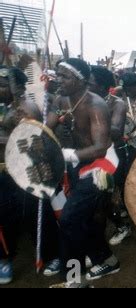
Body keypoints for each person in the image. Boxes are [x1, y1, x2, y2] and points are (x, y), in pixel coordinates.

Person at [46, 58, 120, 286]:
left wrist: (68, 155)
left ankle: (73, 279)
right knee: (81, 219)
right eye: (58, 75)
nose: (59, 80)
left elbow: (100, 148)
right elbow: (47, 126)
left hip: (102, 166)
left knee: (69, 220)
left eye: (65, 76)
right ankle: (105, 259)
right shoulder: (61, 99)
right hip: (79, 162)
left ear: (81, 80)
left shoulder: (95, 105)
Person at [0, 65, 60, 284]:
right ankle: (4, 259)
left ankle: (52, 255)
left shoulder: (27, 108)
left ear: (17, 88)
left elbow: (34, 141)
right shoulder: (5, 106)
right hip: (4, 172)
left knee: (35, 214)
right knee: (5, 216)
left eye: (4, 84)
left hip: (26, 171)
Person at [89, 66, 131, 246]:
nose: (86, 86)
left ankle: (122, 226)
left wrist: (94, 120)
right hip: (94, 156)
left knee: (103, 198)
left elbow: (116, 131)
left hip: (113, 156)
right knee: (98, 198)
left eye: (90, 83)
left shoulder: (117, 104)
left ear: (103, 86)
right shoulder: (86, 102)